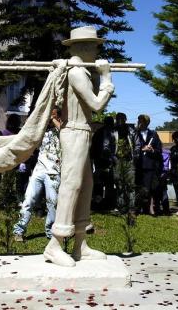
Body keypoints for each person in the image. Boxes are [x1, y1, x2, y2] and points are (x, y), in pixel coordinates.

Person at [43, 26, 114, 267]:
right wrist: (106, 78)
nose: (97, 50)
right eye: (94, 46)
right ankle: (54, 244)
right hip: (73, 131)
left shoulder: (82, 71)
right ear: (82, 47)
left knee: (85, 186)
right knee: (71, 185)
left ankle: (79, 245)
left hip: (82, 132)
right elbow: (96, 104)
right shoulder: (76, 72)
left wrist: (97, 74)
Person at [13, 108, 61, 241]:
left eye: (54, 113)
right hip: (39, 170)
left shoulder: (62, 128)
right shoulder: (41, 130)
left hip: (54, 171)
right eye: (50, 112)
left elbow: (64, 132)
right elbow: (28, 129)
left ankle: (51, 233)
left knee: (52, 204)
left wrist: (53, 119)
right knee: (28, 200)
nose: (50, 115)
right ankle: (19, 230)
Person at [133, 114, 162, 216]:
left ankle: (149, 208)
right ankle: (137, 208)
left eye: (142, 121)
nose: (140, 123)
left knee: (149, 188)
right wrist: (141, 149)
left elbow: (159, 150)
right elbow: (131, 148)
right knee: (137, 187)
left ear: (147, 122)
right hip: (137, 164)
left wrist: (152, 150)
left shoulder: (154, 134)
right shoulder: (134, 133)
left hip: (150, 165)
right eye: (139, 120)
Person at [90, 116, 116, 210]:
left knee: (109, 184)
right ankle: (98, 203)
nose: (110, 124)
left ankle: (109, 204)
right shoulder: (99, 133)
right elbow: (93, 146)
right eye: (108, 122)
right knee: (99, 183)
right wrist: (93, 158)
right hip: (100, 161)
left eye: (111, 122)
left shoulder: (114, 133)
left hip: (111, 161)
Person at [113, 112, 136, 213]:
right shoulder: (113, 131)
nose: (120, 120)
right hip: (117, 160)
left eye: (122, 119)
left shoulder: (131, 130)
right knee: (119, 184)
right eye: (118, 119)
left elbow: (136, 144)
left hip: (129, 160)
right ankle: (121, 206)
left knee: (130, 185)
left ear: (125, 119)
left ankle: (131, 207)